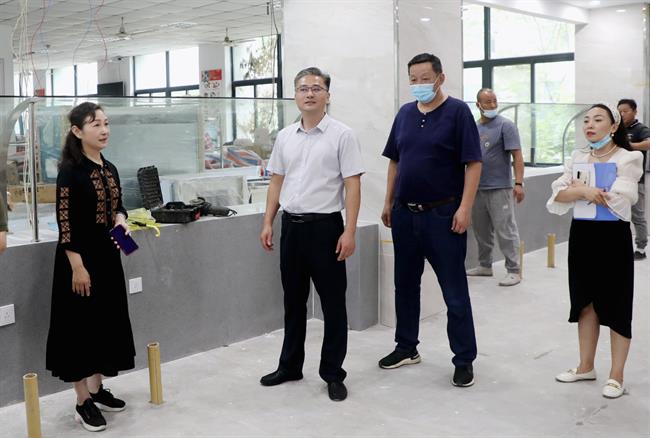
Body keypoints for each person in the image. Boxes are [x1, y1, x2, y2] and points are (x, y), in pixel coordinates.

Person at [259, 67, 364, 402]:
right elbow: (276, 181)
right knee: (293, 302)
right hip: (291, 228)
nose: (309, 93)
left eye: (316, 88)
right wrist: (268, 221)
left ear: (327, 95)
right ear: (295, 95)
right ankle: (290, 365)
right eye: (303, 88)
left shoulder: (342, 135)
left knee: (333, 305)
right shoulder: (285, 137)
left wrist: (349, 231)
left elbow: (352, 185)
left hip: (326, 229)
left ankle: (333, 373)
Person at [379, 53, 482, 387]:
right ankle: (406, 347)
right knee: (405, 285)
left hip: (443, 215)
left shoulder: (458, 112)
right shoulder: (405, 114)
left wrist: (465, 207)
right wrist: (388, 201)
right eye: (413, 79)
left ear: (440, 78)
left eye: (425, 78)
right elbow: (395, 160)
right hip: (404, 214)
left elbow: (473, 163)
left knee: (454, 291)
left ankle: (463, 359)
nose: (419, 84)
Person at [46, 102, 136, 431]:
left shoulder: (109, 167)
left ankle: (97, 390)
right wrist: (77, 266)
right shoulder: (70, 171)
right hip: (79, 260)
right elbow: (65, 223)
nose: (104, 130)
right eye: (95, 124)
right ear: (77, 131)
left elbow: (118, 204)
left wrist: (121, 220)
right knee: (79, 330)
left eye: (106, 123)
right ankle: (82, 399)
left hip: (108, 256)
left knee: (105, 324)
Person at [547, 103, 643, 399]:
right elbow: (557, 193)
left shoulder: (629, 157)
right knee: (584, 301)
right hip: (582, 235)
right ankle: (585, 366)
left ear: (613, 126)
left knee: (617, 303)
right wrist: (583, 191)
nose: (589, 124)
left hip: (613, 238)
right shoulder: (577, 157)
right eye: (586, 120)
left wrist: (580, 190)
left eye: (598, 119)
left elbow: (622, 198)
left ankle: (616, 375)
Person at [466, 88, 524, 286]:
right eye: (487, 102)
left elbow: (517, 156)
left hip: (500, 187)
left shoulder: (506, 126)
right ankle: (485, 265)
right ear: (478, 105)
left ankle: (514, 270)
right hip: (477, 188)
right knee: (481, 230)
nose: (492, 105)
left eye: (494, 101)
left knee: (505, 229)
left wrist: (519, 183)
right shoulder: (473, 128)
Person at [617, 99, 650, 260]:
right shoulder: (615, 128)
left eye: (625, 111)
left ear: (635, 111)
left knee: (638, 216)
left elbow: (649, 143)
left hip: (636, 181)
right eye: (620, 111)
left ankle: (641, 248)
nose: (622, 114)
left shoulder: (640, 129)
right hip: (617, 180)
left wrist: (629, 146)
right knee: (618, 214)